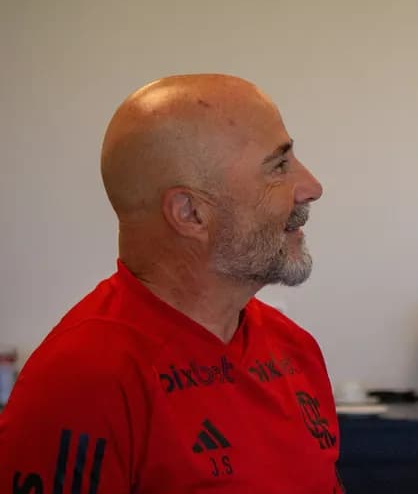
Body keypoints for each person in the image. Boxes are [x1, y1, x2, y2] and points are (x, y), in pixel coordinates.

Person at [0, 75, 343, 493]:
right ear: (190, 213)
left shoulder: (294, 348)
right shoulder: (82, 381)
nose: (311, 188)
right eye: (279, 166)